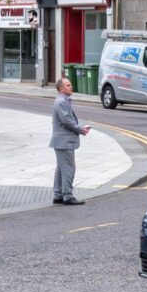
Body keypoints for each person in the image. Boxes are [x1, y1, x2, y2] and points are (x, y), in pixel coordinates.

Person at [50, 77, 90, 205]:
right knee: (68, 168)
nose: (70, 87)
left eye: (70, 84)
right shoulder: (61, 102)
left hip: (61, 141)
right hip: (64, 142)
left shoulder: (62, 101)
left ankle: (58, 194)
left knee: (61, 169)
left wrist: (80, 128)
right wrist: (80, 129)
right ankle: (67, 196)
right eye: (67, 85)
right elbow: (66, 120)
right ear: (60, 88)